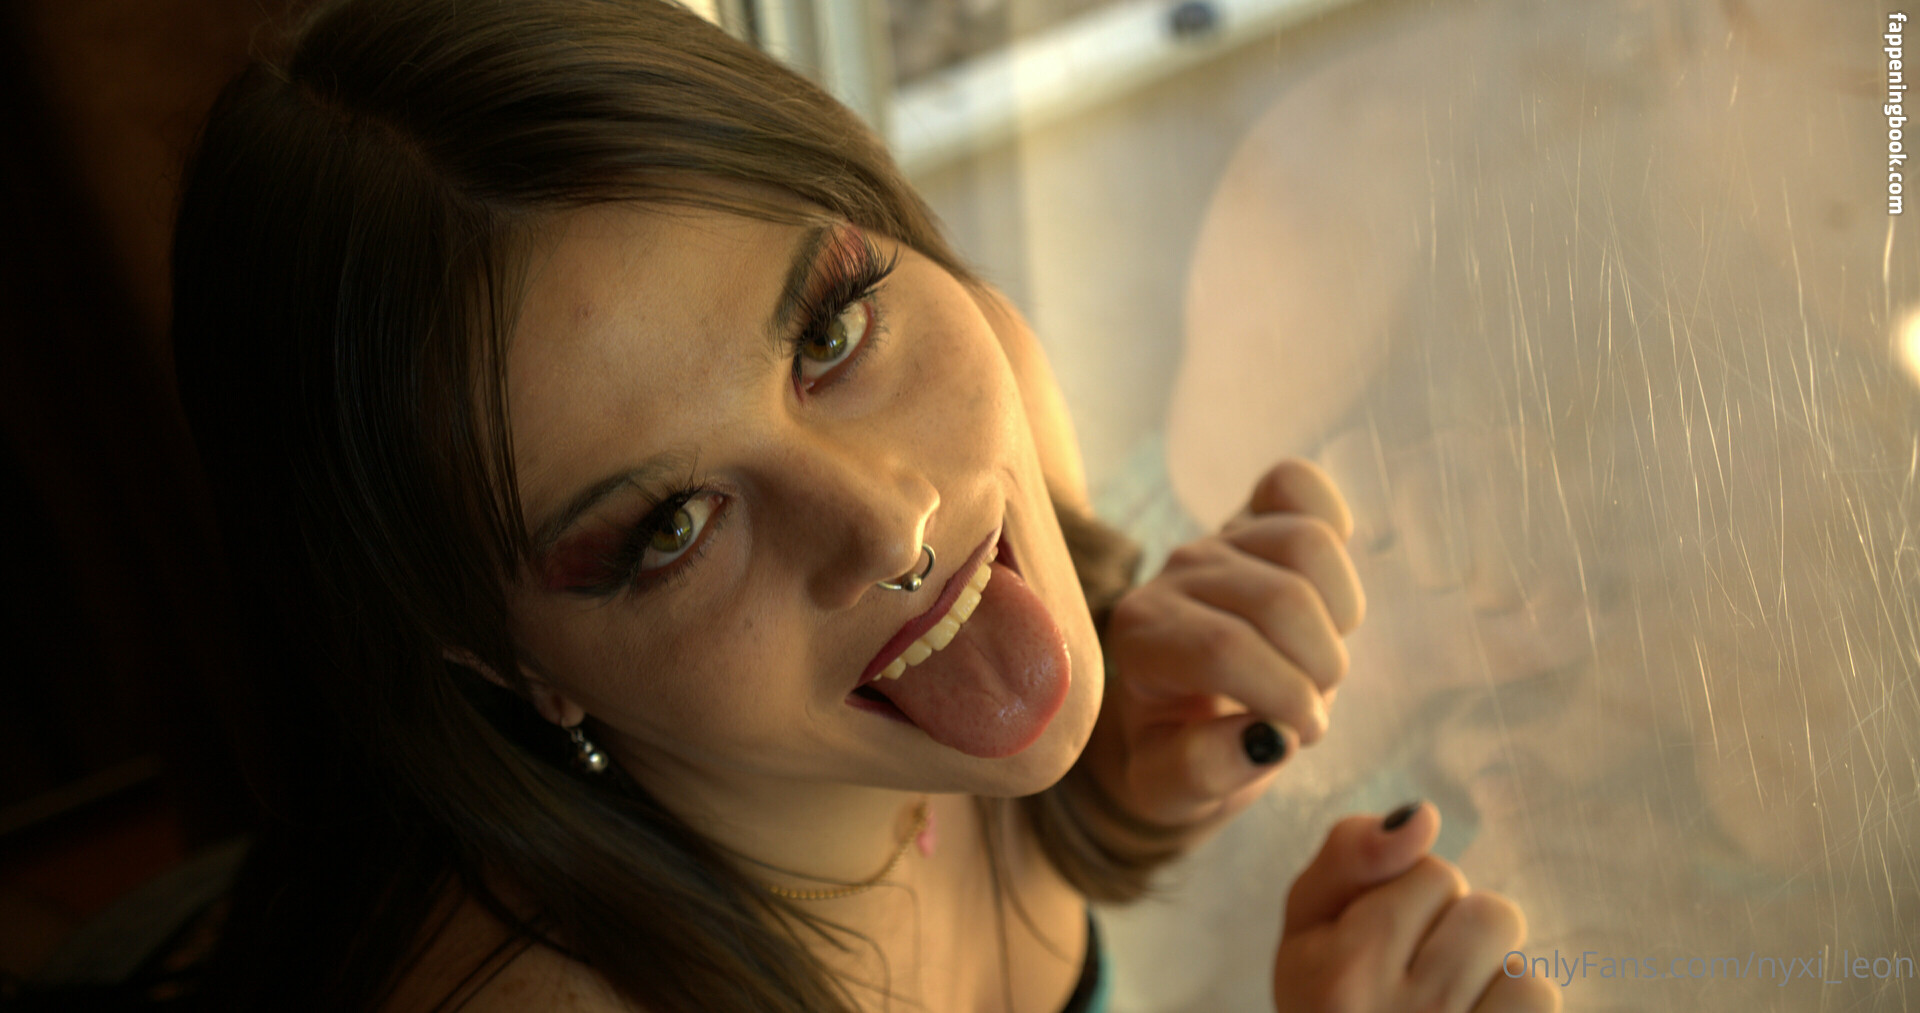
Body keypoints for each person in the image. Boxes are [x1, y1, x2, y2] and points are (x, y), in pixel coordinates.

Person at [168, 0, 1561, 1010]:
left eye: (829, 331)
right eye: (670, 526)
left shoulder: (1003, 422)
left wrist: (1125, 787)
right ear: (493, 655)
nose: (892, 520)